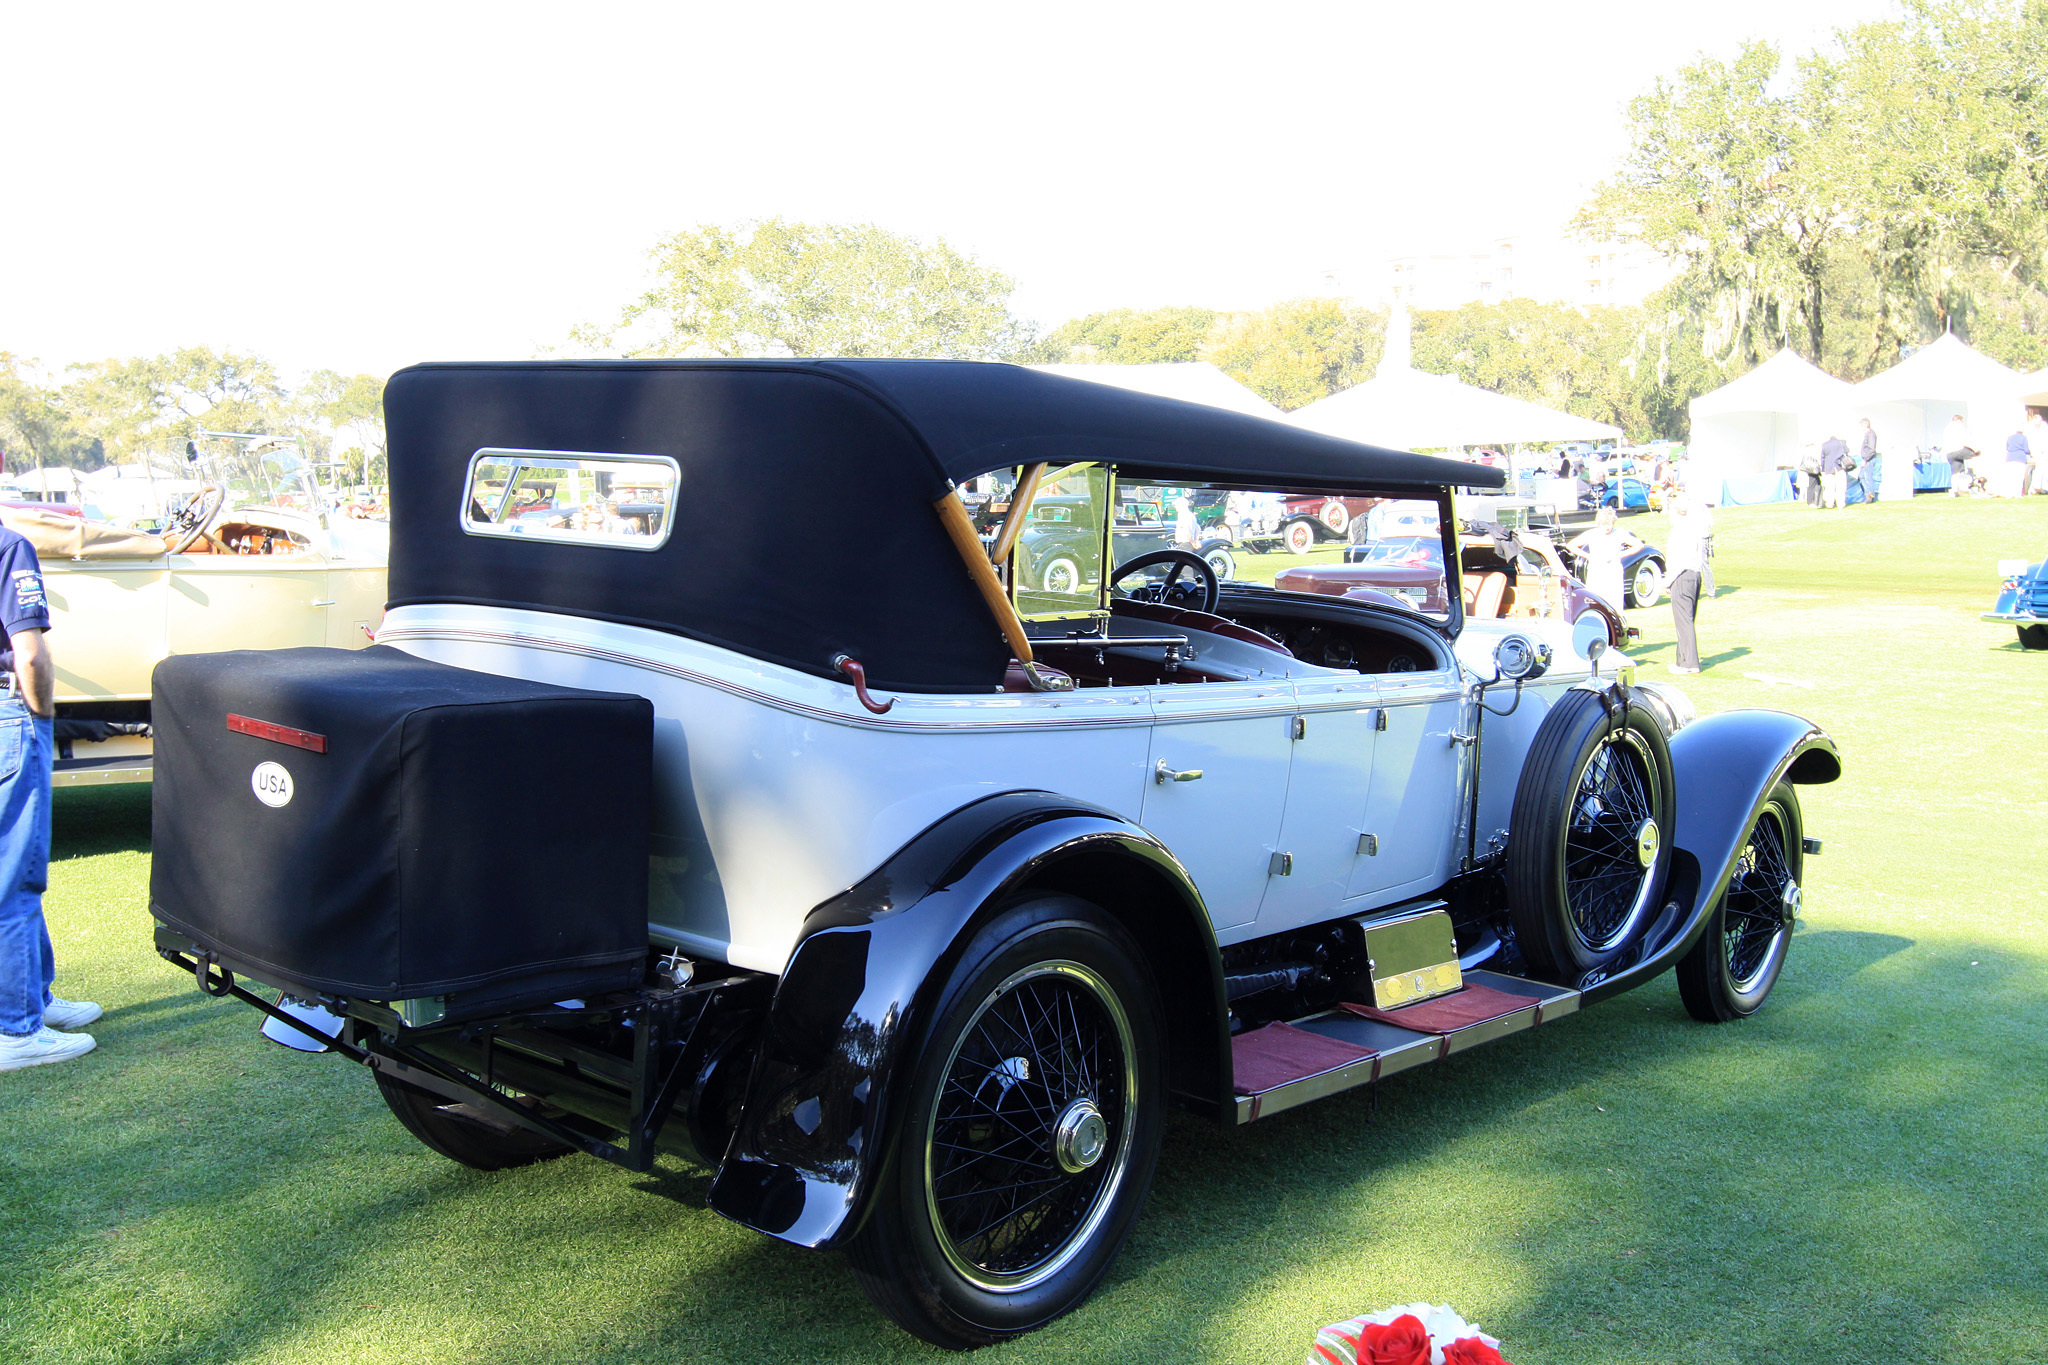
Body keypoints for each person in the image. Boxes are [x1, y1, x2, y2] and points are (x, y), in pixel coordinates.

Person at [0, 520, 97, 1072]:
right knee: (16, 873)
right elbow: (30, 655)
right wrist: (42, 718)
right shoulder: (9, 545)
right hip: (6, 717)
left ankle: (35, 998)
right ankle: (16, 1028)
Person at [1666, 493, 1712, 675]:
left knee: (1684, 621)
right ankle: (1682, 660)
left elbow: (1678, 560)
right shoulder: (1695, 529)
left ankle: (1689, 663)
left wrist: (1667, 581)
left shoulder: (1680, 531)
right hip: (1695, 574)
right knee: (1686, 619)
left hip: (1683, 575)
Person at [1567, 506, 1642, 616]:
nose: (1607, 527)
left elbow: (1638, 545)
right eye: (1604, 524)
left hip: (1614, 570)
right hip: (1596, 571)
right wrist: (1588, 556)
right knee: (1596, 600)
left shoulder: (1619, 533)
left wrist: (1621, 555)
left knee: (1615, 602)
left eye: (1610, 524)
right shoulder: (1591, 534)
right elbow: (1571, 545)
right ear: (1599, 523)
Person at [1942, 413, 1976, 493]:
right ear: (1959, 420)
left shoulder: (1947, 428)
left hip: (1949, 454)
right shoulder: (1958, 426)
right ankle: (1976, 481)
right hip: (1958, 450)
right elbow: (1965, 439)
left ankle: (1954, 490)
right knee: (1977, 455)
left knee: (1956, 473)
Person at [1819, 434, 1848, 508]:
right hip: (1840, 466)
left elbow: (1823, 458)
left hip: (1829, 467)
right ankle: (1841, 504)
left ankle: (1830, 503)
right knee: (1841, 486)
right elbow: (1847, 452)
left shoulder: (1825, 444)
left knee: (1830, 486)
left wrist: (1823, 468)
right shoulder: (1842, 443)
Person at [1857, 419, 1882, 504]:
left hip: (1869, 459)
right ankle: (1867, 495)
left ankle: (1870, 496)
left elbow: (1872, 449)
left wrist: (1865, 459)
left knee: (1867, 478)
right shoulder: (1868, 434)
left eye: (1862, 426)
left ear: (1866, 425)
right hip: (1867, 458)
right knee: (1862, 477)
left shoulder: (1871, 434)